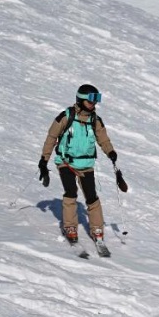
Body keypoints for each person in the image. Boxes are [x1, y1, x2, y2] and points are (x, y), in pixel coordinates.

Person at [38, 84, 117, 244]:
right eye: (90, 101)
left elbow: (103, 139)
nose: (94, 104)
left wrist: (110, 152)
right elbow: (51, 137)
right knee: (71, 192)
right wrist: (43, 160)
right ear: (81, 100)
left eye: (96, 100)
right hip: (66, 163)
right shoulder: (66, 117)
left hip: (86, 164)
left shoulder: (95, 120)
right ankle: (70, 226)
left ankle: (97, 228)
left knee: (91, 196)